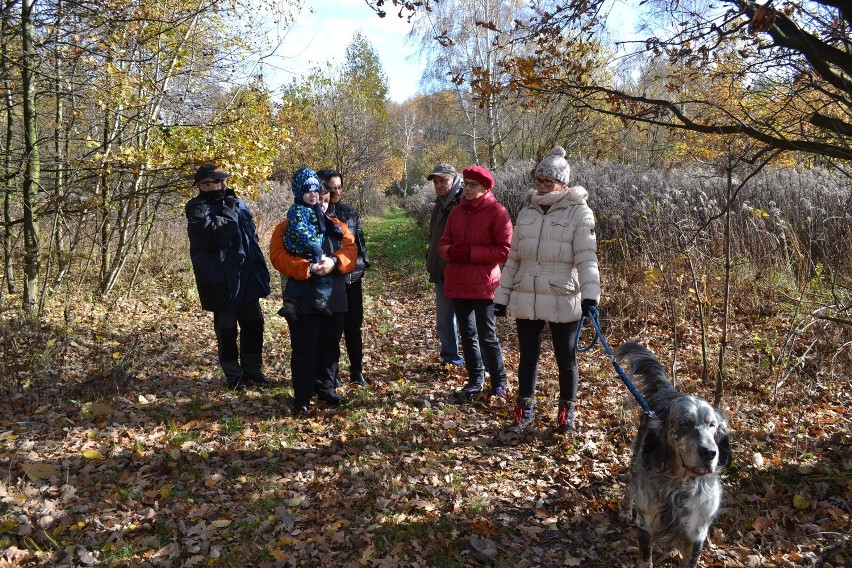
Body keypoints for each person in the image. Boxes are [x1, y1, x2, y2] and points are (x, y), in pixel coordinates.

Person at [493, 147, 601, 433]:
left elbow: (587, 258)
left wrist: (591, 297)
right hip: (526, 292)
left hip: (564, 294)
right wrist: (501, 298)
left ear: (563, 183)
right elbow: (514, 257)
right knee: (527, 358)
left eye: (548, 181)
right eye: (539, 180)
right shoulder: (527, 210)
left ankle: (566, 416)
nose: (541, 186)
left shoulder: (580, 212)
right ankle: (523, 411)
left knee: (566, 359)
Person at [270, 186, 358, 415]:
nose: (321, 205)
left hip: (335, 296)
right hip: (301, 299)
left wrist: (334, 262)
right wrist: (306, 268)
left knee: (330, 346)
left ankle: (326, 388)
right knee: (304, 348)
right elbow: (277, 256)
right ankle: (302, 396)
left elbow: (351, 250)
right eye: (317, 200)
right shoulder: (286, 226)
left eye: (326, 201)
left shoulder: (337, 227)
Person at [185, 164, 272, 391]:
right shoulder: (196, 208)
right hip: (220, 280)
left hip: (246, 277)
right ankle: (234, 375)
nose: (223, 185)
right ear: (203, 185)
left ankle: (253, 370)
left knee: (254, 324)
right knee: (226, 329)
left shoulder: (236, 202)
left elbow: (251, 239)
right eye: (217, 182)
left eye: (224, 181)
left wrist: (260, 271)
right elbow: (213, 236)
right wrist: (229, 211)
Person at [439, 165, 513, 401]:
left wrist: (470, 253)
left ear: (485, 188)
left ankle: (499, 380)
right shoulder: (456, 213)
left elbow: (504, 250)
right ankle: (475, 379)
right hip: (459, 282)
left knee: (487, 335)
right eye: (466, 184)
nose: (467, 189)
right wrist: (452, 252)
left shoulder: (498, 212)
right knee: (467, 333)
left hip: (485, 285)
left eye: (473, 185)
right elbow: (442, 245)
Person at [319, 168, 371, 387]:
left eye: (340, 187)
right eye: (332, 188)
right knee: (331, 331)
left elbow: (359, 244)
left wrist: (361, 265)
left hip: (352, 279)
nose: (337, 192)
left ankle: (356, 370)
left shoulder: (349, 212)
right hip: (329, 281)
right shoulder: (315, 213)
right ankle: (332, 374)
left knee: (353, 327)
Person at [278, 167, 339, 322]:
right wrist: (313, 245)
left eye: (316, 192)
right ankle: (290, 305)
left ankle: (321, 300)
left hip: (314, 250)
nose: (313, 195)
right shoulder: (297, 210)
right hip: (301, 248)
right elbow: (300, 230)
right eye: (308, 192)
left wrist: (336, 230)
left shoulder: (316, 212)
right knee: (300, 279)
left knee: (322, 275)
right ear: (299, 193)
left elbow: (327, 226)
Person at [425, 163, 470, 367]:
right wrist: (430, 259)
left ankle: (476, 362)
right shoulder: (438, 204)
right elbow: (434, 237)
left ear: (454, 179)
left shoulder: (465, 202)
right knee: (444, 320)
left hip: (461, 272)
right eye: (436, 182)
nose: (439, 185)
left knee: (468, 322)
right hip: (440, 271)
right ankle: (451, 358)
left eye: (443, 180)